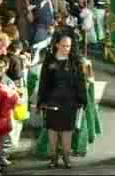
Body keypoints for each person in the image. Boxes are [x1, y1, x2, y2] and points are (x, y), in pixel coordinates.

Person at [37, 34, 87, 168]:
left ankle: (66, 157)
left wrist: (83, 99)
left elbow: (81, 81)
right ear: (57, 45)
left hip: (70, 101)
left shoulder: (75, 61)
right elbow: (43, 81)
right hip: (51, 100)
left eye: (69, 46)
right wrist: (41, 100)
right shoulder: (49, 60)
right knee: (52, 130)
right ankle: (53, 158)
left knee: (67, 130)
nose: (67, 49)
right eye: (64, 45)